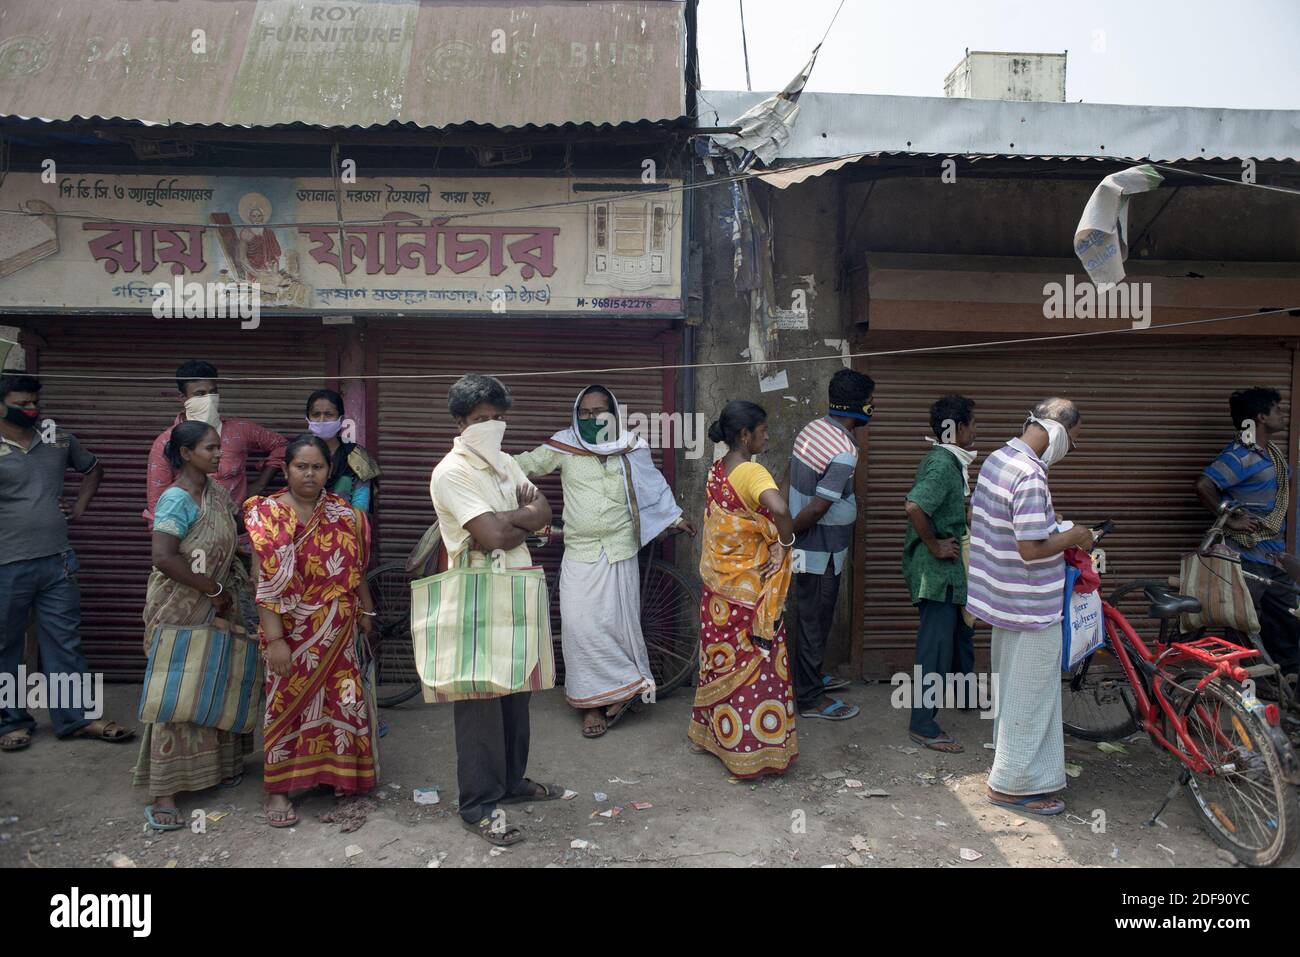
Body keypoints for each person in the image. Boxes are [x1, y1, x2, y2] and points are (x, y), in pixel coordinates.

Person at [430, 374, 567, 846]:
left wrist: (507, 519)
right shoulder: (452, 472)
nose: (491, 426)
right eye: (480, 419)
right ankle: (477, 804)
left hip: (515, 590)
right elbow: (490, 538)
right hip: (475, 598)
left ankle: (510, 783)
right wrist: (516, 519)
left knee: (516, 694)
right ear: (460, 422)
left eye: (497, 417)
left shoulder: (507, 462)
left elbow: (544, 509)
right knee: (480, 703)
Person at [515, 384, 696, 738]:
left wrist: (673, 519)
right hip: (580, 552)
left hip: (620, 550)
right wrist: (485, 464)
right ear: (575, 414)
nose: (593, 418)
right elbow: (525, 465)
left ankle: (619, 692)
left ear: (613, 414)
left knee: (617, 625)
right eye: (585, 412)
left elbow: (651, 488)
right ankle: (591, 703)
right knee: (579, 626)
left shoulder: (630, 446)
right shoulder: (563, 446)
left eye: (600, 411)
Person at [968, 397, 1094, 817]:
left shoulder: (998, 459)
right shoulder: (1030, 474)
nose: (1070, 451)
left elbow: (1006, 527)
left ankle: (1020, 773)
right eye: (1072, 442)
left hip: (1003, 598)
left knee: (1014, 690)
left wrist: (1054, 528)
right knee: (1032, 695)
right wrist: (1076, 534)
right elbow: (1030, 548)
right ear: (1058, 432)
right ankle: (1011, 786)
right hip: (1030, 604)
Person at [244, 435, 377, 827]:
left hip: (338, 632)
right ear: (285, 470)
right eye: (301, 466)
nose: (309, 473)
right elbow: (263, 585)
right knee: (284, 706)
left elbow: (355, 571)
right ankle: (280, 789)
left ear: (327, 472)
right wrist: (277, 640)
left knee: (342, 703)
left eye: (317, 467)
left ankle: (335, 779)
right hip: (290, 632)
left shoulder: (343, 514)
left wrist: (367, 610)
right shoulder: (266, 515)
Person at [0, 373, 134, 751]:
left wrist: (79, 506)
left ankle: (77, 718)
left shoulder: (55, 437)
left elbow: (93, 468)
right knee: (5, 645)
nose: (31, 410)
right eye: (21, 403)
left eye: (34, 403)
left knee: (65, 642)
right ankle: (10, 721)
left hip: (57, 561)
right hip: (6, 563)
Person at [134, 421, 255, 830]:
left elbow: (240, 532)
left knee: (214, 680)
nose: (219, 454)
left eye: (219, 447)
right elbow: (164, 557)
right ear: (185, 454)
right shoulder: (176, 499)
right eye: (210, 448)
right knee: (174, 690)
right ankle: (164, 792)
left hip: (217, 602)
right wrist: (213, 589)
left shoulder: (216, 493)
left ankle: (217, 769)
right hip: (181, 607)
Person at [689, 400, 797, 778]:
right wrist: (784, 543)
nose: (768, 436)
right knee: (757, 667)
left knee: (721, 661)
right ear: (744, 435)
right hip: (750, 591)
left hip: (718, 589)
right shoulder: (751, 472)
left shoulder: (717, 470)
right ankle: (751, 749)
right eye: (763, 430)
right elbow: (780, 510)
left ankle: (718, 738)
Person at [784, 369, 874, 722]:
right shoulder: (844, 450)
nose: (873, 408)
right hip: (819, 549)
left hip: (813, 546)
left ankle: (810, 677)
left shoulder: (812, 428)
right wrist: (787, 535)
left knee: (810, 616)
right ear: (859, 406)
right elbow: (820, 507)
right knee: (814, 620)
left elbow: (790, 476)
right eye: (872, 402)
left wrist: (785, 523)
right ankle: (808, 698)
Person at [1194, 386, 1300, 677]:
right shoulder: (1240, 455)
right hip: (1245, 557)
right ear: (1261, 416)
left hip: (1272, 555)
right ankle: (1238, 689)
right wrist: (1228, 520)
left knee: (1287, 622)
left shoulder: (1271, 455)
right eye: (1277, 409)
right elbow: (1204, 485)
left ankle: (1287, 688)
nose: (1283, 414)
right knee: (1243, 627)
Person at [902, 394, 978, 753]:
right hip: (936, 572)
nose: (976, 431)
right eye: (973, 424)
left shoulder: (951, 461)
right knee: (936, 645)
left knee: (962, 633)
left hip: (952, 569)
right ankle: (923, 724)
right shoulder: (942, 464)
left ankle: (965, 696)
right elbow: (915, 505)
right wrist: (933, 544)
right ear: (958, 428)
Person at [145, 360, 287, 524]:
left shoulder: (239, 430)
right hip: (191, 537)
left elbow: (282, 446)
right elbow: (157, 504)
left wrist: (260, 484)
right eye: (200, 394)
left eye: (213, 392)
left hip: (238, 534)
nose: (209, 399)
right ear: (183, 398)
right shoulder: (166, 442)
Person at [304, 388, 382, 512]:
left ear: (341, 418)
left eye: (329, 414)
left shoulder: (356, 455)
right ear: (307, 418)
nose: (322, 420)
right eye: (316, 414)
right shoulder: (299, 453)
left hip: (345, 527)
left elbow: (361, 506)